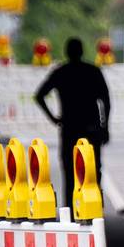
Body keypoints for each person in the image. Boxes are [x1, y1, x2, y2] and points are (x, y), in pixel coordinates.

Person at [34, 38, 112, 212]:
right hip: (92, 128)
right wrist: (105, 126)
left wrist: (53, 118)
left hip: (69, 129)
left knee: (70, 173)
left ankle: (69, 211)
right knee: (92, 171)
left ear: (66, 52)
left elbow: (39, 96)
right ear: (82, 51)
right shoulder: (92, 72)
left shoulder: (61, 72)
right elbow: (105, 101)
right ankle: (93, 211)